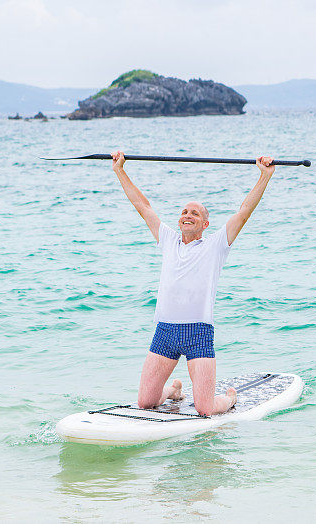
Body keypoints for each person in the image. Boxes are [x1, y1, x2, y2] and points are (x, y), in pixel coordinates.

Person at [111, 151, 276, 416]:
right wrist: (120, 170)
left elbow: (243, 212)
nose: (188, 215)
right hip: (165, 332)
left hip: (198, 333)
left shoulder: (215, 246)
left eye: (195, 213)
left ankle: (230, 399)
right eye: (184, 212)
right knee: (145, 402)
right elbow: (143, 206)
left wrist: (264, 176)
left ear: (205, 224)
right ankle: (174, 391)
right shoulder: (168, 240)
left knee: (205, 409)